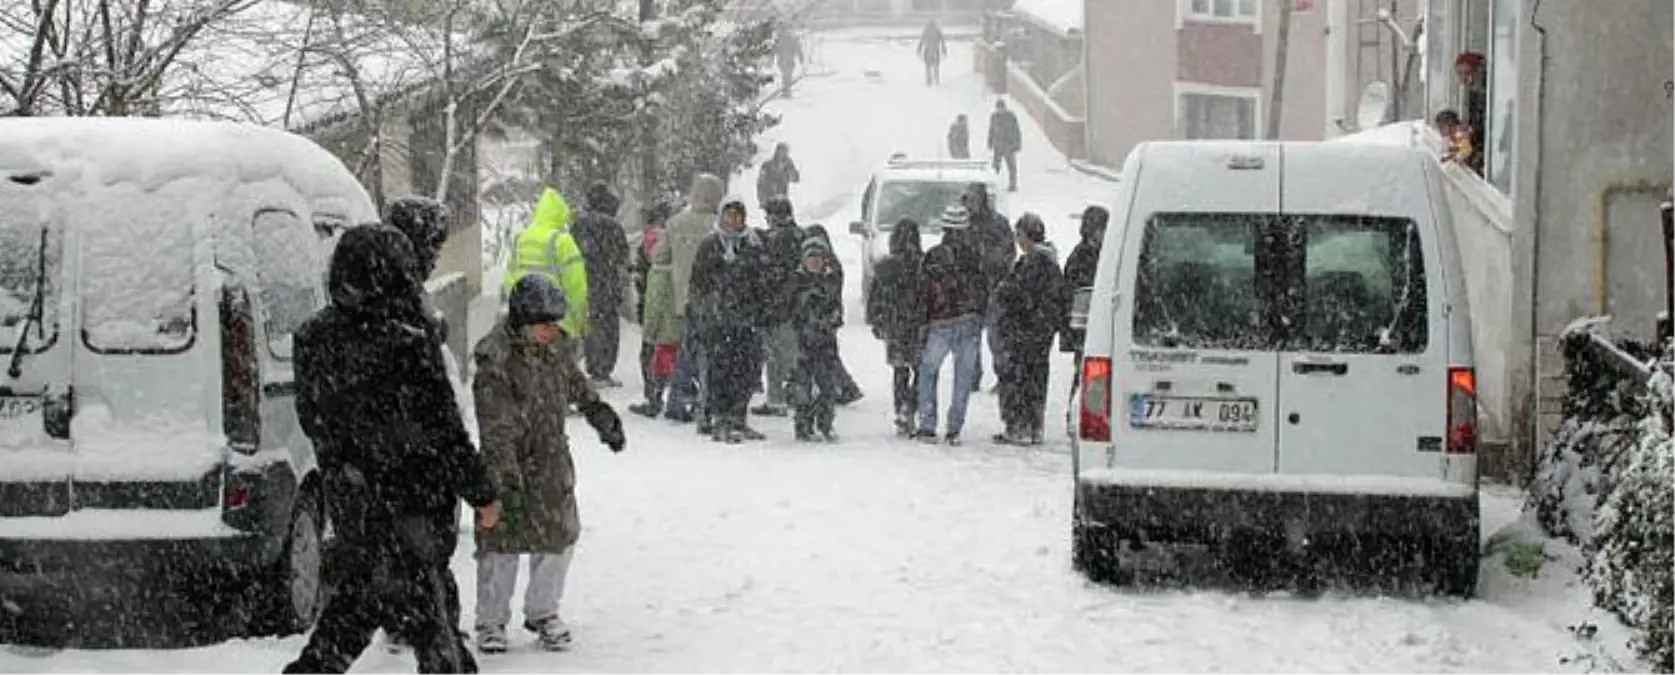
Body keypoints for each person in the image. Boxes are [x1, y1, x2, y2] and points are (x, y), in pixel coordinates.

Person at [282, 225, 499, 675]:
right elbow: (445, 430)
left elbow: (313, 419)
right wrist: (481, 492)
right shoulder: (408, 340)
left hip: (355, 503)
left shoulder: (312, 338)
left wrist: (353, 461)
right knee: (429, 623)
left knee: (361, 607)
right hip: (415, 505)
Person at [471, 275, 625, 654]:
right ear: (524, 321)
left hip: (552, 457)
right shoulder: (497, 358)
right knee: (501, 542)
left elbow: (575, 383)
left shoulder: (557, 348)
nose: (551, 331)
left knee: (559, 535)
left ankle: (543, 610)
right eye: (544, 324)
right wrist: (504, 478)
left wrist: (598, 412)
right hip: (508, 460)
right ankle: (491, 620)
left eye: (555, 324)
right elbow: (496, 426)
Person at [377, 196, 477, 657]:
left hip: (401, 438)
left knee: (413, 544)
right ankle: (430, 629)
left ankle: (416, 620)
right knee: (424, 545)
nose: (438, 252)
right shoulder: (395, 293)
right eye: (434, 242)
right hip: (413, 439)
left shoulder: (392, 282)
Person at [690, 199, 773, 442]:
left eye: (738, 216)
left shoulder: (754, 243)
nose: (734, 220)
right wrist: (705, 311)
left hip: (747, 319)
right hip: (719, 319)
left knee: (747, 371)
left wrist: (763, 309)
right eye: (729, 216)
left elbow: (763, 279)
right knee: (720, 371)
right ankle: (719, 418)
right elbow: (698, 282)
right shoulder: (711, 244)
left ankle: (739, 416)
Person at [915, 205, 988, 445]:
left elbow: (923, 292)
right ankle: (955, 426)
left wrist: (923, 321)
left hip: (941, 322)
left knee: (928, 371)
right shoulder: (975, 255)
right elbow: (984, 288)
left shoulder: (934, 255)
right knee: (963, 378)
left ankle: (927, 423)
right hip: (969, 320)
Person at [993, 214, 1066, 445]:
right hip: (1039, 333)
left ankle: (1019, 426)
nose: (1017, 239)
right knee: (1036, 379)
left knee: (1019, 379)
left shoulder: (1033, 264)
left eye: (1019, 234)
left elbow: (1017, 295)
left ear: (1027, 235)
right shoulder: (1049, 264)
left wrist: (1006, 295)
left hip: (1026, 332)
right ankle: (1035, 426)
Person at [664, 173, 727, 423]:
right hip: (713, 299)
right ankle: (708, 401)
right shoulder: (720, 227)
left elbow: (659, 256)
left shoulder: (675, 223)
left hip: (683, 297)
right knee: (711, 352)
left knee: (685, 351)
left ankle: (678, 399)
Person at [501, 186, 589, 342]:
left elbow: (509, 279)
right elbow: (577, 288)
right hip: (557, 324)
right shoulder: (563, 241)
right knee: (558, 364)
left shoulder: (522, 238)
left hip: (525, 324)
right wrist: (580, 321)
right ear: (561, 215)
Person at [866, 218, 926, 437]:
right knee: (921, 370)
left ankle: (901, 408)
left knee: (900, 371)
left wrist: (876, 320)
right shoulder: (923, 264)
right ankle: (911, 406)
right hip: (919, 324)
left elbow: (875, 298)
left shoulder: (885, 267)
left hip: (895, 324)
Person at [570, 183, 631, 387]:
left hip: (585, 282)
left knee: (591, 326)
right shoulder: (613, 226)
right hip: (608, 284)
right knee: (609, 327)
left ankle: (592, 366)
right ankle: (603, 370)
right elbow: (623, 256)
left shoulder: (578, 225)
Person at [753, 196, 805, 417]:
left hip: (777, 306)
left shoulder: (777, 240)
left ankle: (778, 399)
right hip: (795, 305)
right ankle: (797, 393)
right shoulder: (800, 235)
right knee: (791, 353)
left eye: (769, 216)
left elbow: (769, 273)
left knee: (776, 355)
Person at [788, 237, 845, 441]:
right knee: (802, 386)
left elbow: (837, 308)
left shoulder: (831, 281)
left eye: (818, 257)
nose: (814, 262)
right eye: (810, 257)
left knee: (827, 386)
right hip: (801, 342)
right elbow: (788, 310)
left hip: (825, 342)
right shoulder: (795, 281)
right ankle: (803, 424)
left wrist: (832, 319)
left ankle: (825, 423)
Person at [802, 224, 863, 404]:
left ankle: (846, 387)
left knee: (828, 355)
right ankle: (842, 386)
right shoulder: (831, 262)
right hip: (829, 316)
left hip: (825, 317)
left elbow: (828, 291)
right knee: (829, 355)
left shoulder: (828, 266)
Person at [964, 184, 1013, 393]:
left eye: (974, 200)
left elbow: (1008, 252)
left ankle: (1003, 377)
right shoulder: (965, 224)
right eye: (968, 200)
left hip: (995, 288)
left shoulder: (998, 223)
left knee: (997, 337)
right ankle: (972, 377)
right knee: (970, 337)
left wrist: (990, 263)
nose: (971, 205)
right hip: (971, 291)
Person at [1061, 205, 1107, 394]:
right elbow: (1069, 293)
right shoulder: (1080, 256)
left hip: (1100, 322)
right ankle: (1085, 411)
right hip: (1086, 325)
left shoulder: (1108, 252)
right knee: (1091, 370)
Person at [1454, 52, 1487, 176]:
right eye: (1460, 74)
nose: (1464, 78)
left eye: (1468, 73)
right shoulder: (1471, 94)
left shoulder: (1488, 95)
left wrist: (1471, 132)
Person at [986, 99, 1022, 192]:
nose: (1000, 110)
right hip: (997, 145)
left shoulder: (1011, 116)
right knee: (995, 165)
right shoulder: (994, 117)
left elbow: (1016, 130)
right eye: (998, 108)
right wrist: (989, 142)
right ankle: (993, 184)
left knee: (1011, 166)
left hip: (1009, 145)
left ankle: (1013, 185)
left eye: (1001, 108)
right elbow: (991, 130)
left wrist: (1017, 144)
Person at [756, 143, 801, 209]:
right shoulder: (767, 165)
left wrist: (790, 170)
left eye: (786, 152)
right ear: (777, 152)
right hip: (769, 199)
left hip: (782, 199)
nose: (784, 154)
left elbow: (796, 178)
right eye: (782, 152)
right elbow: (760, 184)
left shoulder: (788, 165)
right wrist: (762, 200)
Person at [775, 22, 803, 98]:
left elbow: (775, 49)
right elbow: (798, 49)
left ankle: (786, 92)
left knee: (786, 76)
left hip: (784, 60)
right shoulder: (787, 38)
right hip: (786, 60)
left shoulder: (781, 38)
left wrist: (801, 57)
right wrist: (801, 58)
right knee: (787, 76)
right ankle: (786, 91)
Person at [918, 20, 947, 86]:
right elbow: (942, 41)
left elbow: (921, 41)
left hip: (927, 50)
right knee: (936, 66)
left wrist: (919, 49)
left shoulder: (926, 31)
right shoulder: (937, 31)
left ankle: (929, 81)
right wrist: (944, 50)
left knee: (928, 66)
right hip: (935, 50)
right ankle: (936, 80)